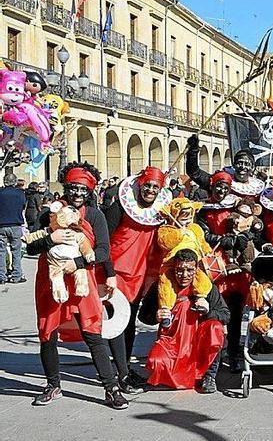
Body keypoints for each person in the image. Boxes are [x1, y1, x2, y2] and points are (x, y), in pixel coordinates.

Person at [25, 162, 128, 409]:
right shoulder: (49, 213)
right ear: (66, 187)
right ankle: (53, 385)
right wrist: (51, 238)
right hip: (51, 281)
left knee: (93, 333)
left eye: (83, 189)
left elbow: (103, 251)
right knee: (48, 333)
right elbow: (31, 247)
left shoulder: (95, 215)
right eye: (73, 188)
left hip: (83, 280)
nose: (78, 194)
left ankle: (111, 388)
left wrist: (78, 263)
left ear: (90, 191)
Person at [100, 166, 173, 391]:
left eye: (155, 187)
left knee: (130, 321)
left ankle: (124, 368)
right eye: (147, 185)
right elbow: (104, 239)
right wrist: (107, 272)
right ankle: (122, 374)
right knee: (119, 320)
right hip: (117, 272)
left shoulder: (161, 211)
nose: (150, 190)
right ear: (140, 185)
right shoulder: (120, 206)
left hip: (140, 273)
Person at [139, 245, 229, 393]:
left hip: (199, 341)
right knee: (156, 362)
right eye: (180, 270)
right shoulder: (161, 286)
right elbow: (143, 316)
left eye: (189, 270)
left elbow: (225, 314)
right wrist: (156, 315)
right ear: (174, 268)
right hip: (171, 343)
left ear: (196, 270)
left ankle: (209, 376)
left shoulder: (206, 287)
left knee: (215, 328)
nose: (184, 275)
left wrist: (208, 312)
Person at [186, 134, 265, 200]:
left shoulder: (259, 188)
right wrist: (193, 151)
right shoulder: (221, 180)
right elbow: (194, 173)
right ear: (234, 165)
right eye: (239, 163)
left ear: (252, 168)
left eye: (247, 164)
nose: (242, 167)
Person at [0, 173, 27, 284]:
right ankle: (16, 275)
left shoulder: (0, 192)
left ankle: (1, 276)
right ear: (15, 182)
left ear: (4, 181)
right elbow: (23, 206)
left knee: (1, 251)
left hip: (1, 225)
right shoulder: (20, 193)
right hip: (16, 224)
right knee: (16, 251)